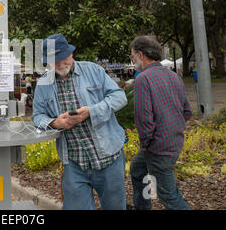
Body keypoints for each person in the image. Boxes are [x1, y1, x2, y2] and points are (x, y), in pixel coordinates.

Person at [32, 34, 128, 210]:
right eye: (55, 61)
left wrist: (91, 112)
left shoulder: (93, 70)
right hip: (74, 163)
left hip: (108, 158)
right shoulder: (43, 84)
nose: (60, 65)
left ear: (71, 54)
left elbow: (119, 97)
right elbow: (37, 116)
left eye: (63, 58)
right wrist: (55, 123)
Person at [129, 35, 192, 210]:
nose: (132, 60)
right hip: (171, 142)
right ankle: (142, 207)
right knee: (137, 170)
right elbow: (187, 111)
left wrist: (146, 143)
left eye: (132, 55)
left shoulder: (143, 78)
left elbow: (144, 119)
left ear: (141, 54)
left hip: (156, 147)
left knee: (170, 198)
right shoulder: (173, 76)